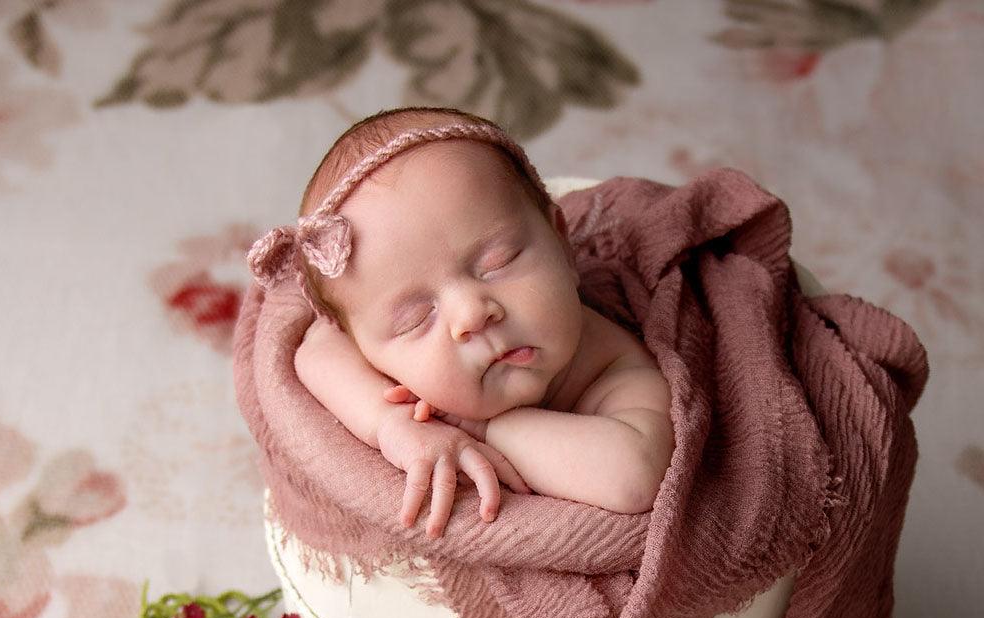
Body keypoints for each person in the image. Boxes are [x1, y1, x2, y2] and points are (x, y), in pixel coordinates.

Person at [248, 107, 674, 539]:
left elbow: (635, 475)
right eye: (415, 318)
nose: (472, 313)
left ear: (561, 242)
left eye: (498, 263)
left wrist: (485, 428)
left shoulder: (610, 366)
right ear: (364, 345)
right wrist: (389, 425)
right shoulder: (364, 347)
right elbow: (316, 350)